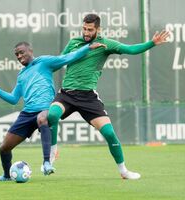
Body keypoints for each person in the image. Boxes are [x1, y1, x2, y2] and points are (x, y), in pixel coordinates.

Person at [47, 14, 169, 180]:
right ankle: (53, 151)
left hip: (88, 98)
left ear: (98, 29)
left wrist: (152, 43)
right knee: (52, 115)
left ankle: (124, 171)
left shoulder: (106, 44)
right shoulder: (74, 43)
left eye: (90, 29)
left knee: (110, 134)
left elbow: (130, 49)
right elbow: (59, 61)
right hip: (66, 94)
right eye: (84, 28)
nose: (86, 32)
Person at [0, 41, 106, 182]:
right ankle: (7, 176)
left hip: (46, 109)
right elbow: (14, 99)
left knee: (42, 118)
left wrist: (87, 48)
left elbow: (67, 58)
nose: (19, 56)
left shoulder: (44, 62)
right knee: (4, 148)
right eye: (16, 55)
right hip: (27, 114)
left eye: (22, 52)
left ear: (30, 51)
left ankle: (47, 162)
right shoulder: (21, 75)